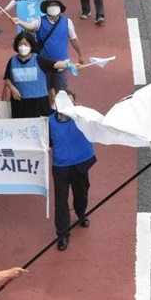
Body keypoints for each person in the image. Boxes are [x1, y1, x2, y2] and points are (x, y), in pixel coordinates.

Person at [50, 90, 96, 251]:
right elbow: (45, 142)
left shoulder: (81, 118)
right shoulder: (49, 122)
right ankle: (63, 234)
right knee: (61, 201)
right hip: (60, 166)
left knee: (81, 193)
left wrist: (82, 113)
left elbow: (95, 126)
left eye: (70, 102)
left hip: (81, 163)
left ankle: (81, 213)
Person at [12, 0, 84, 100]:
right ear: (46, 8)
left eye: (55, 5)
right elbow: (30, 26)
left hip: (61, 63)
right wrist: (20, 22)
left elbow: (74, 39)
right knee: (46, 91)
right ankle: (49, 110)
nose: (53, 7)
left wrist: (80, 55)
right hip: (43, 64)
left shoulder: (67, 22)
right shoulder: (39, 20)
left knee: (62, 92)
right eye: (50, 5)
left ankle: (60, 113)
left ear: (60, 7)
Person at [3, 31, 80, 119]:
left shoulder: (38, 59)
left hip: (39, 103)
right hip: (19, 103)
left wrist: (70, 65)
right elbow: (7, 78)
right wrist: (12, 88)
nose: (22, 47)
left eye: (25, 44)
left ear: (31, 45)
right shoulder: (12, 61)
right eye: (20, 44)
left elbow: (54, 64)